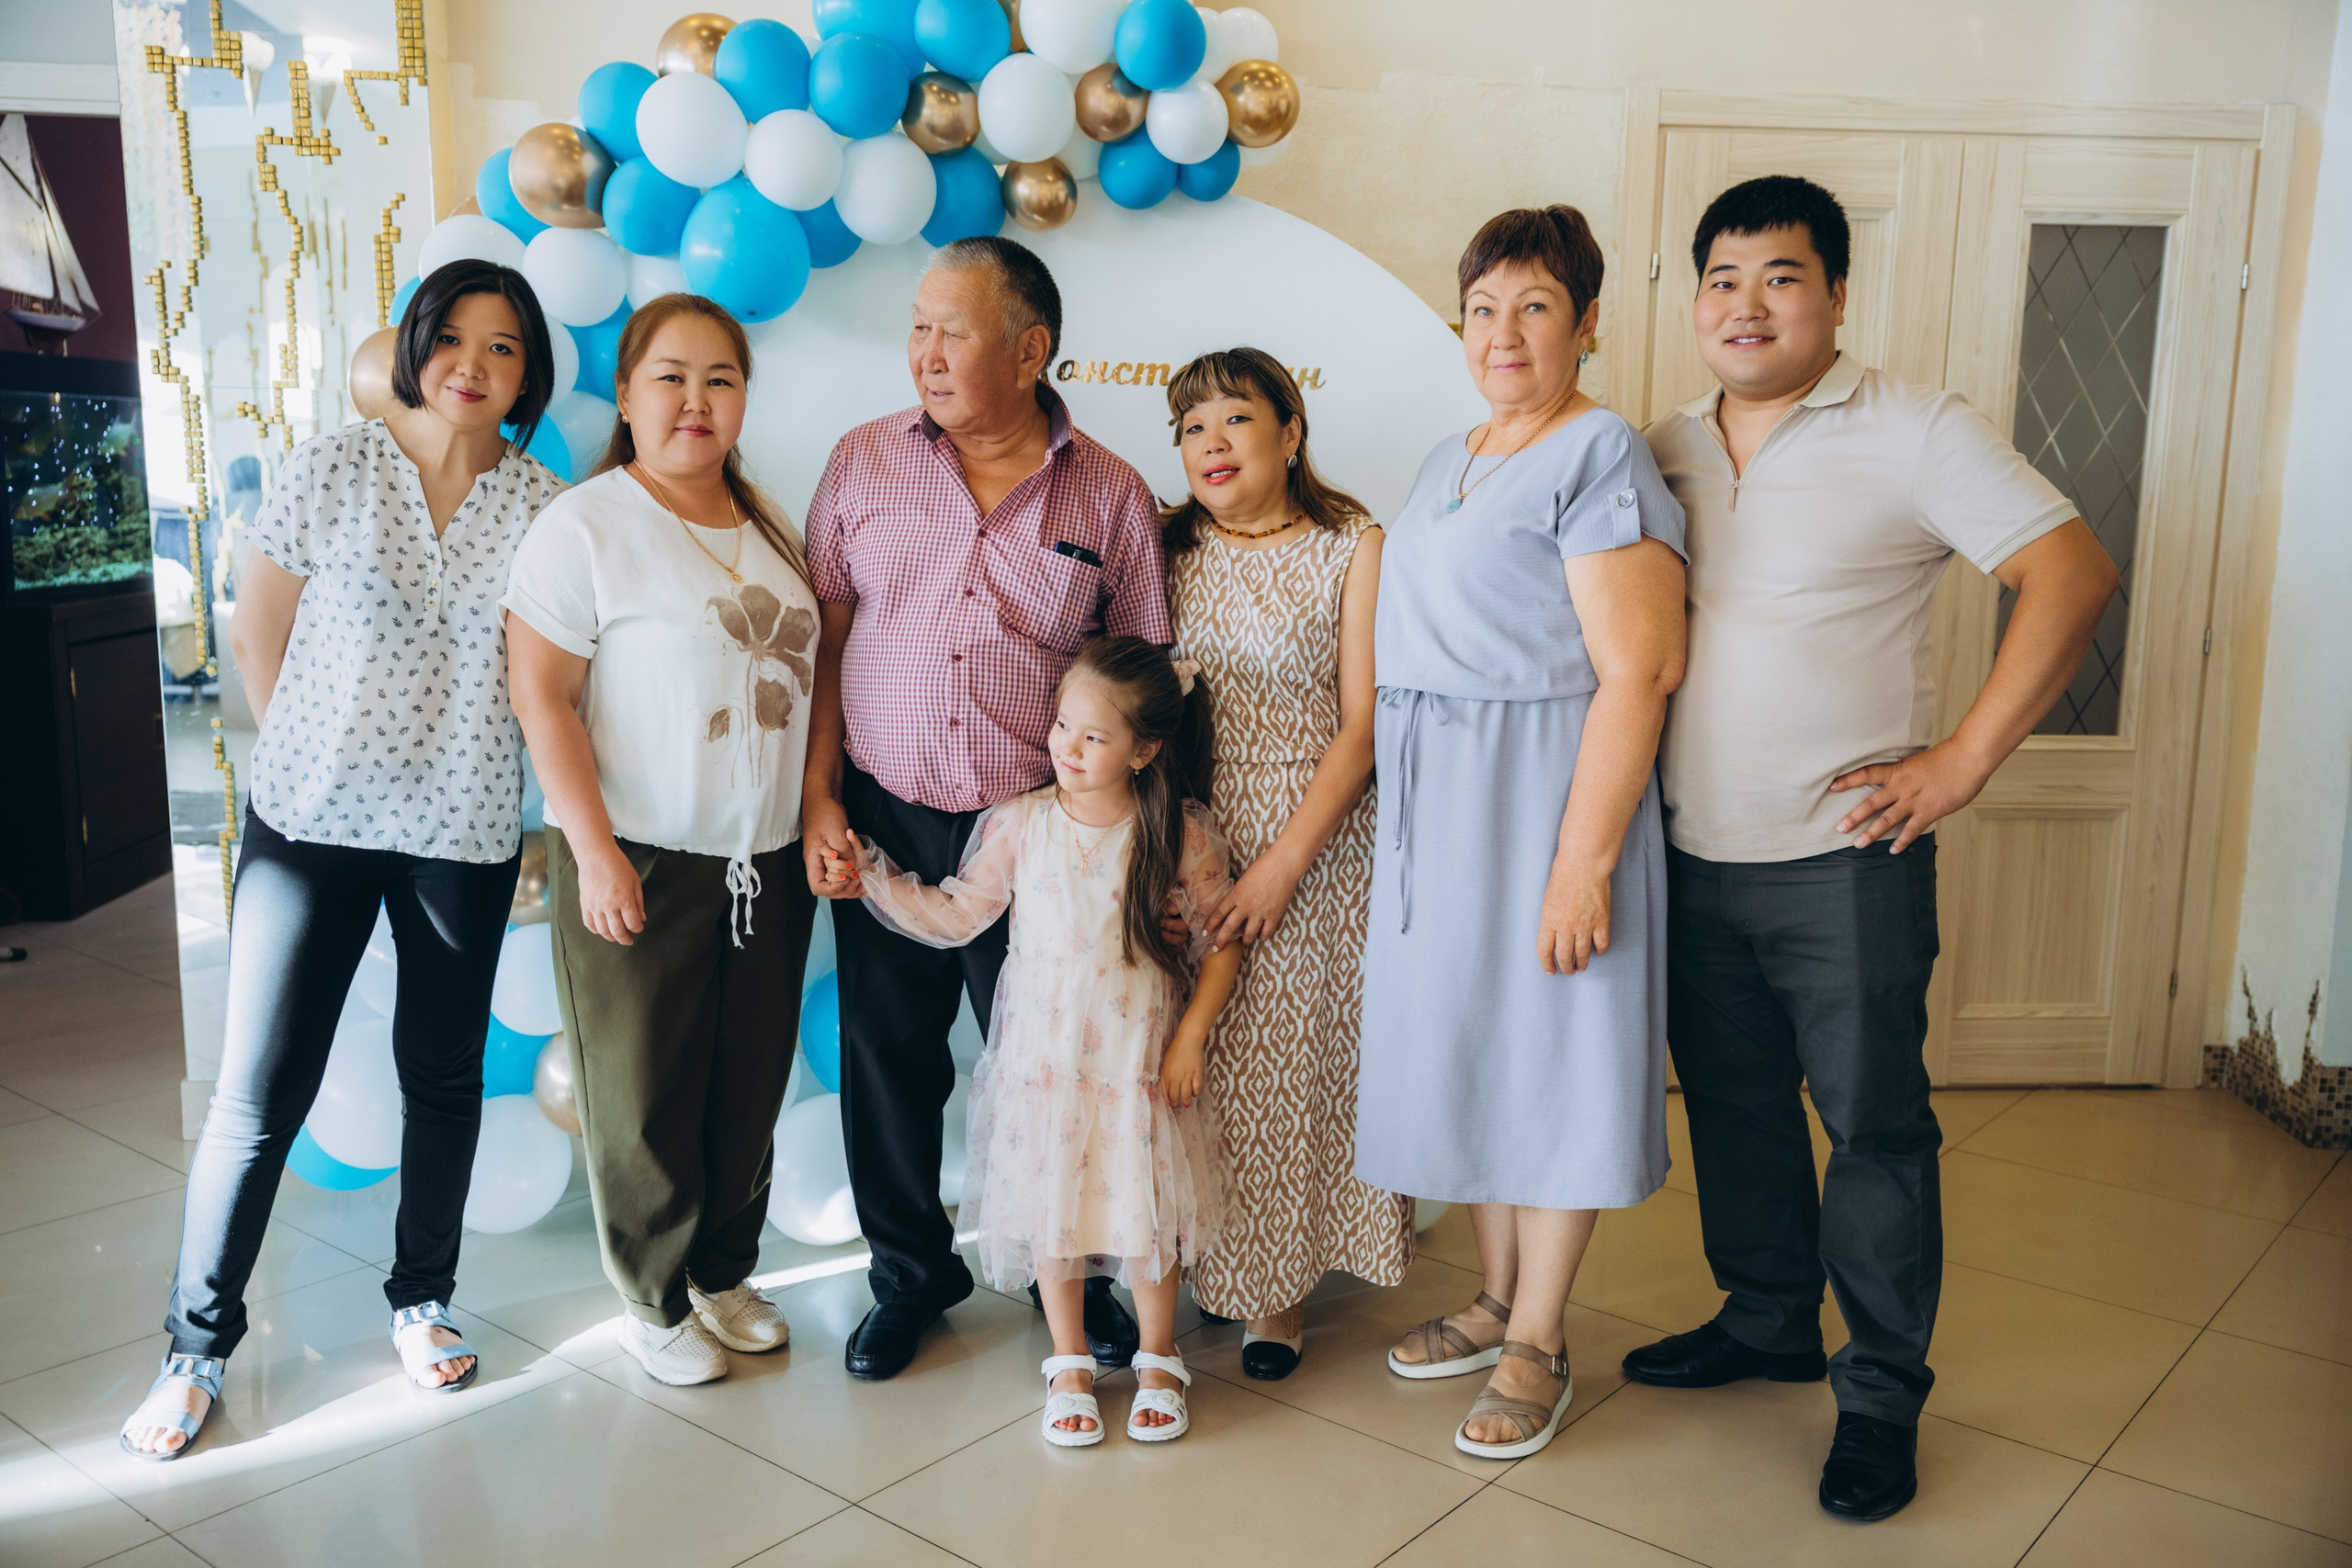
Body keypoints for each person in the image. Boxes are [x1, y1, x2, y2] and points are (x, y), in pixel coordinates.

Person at [1628, 175, 2118, 1521]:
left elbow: (2069, 571)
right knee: (1731, 1107)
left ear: (1835, 295)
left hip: (1845, 857)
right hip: (1691, 854)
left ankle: (1882, 1393)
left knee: (1876, 1132)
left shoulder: (1913, 428)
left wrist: (1959, 759)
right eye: (1723, 277)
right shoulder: (1659, 445)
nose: (1747, 302)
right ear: (1694, 299)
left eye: (1781, 275)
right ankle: (1769, 1314)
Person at [119, 261, 564, 1459]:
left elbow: (548, 679)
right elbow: (257, 630)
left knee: (443, 1076)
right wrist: (313, 761)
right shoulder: (334, 463)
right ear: (417, 344)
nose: (474, 362)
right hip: (310, 823)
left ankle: (421, 1298)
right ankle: (194, 1344)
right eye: (455, 336)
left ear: (529, 374)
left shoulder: (542, 503)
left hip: (460, 827)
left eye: (505, 346)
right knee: (258, 1096)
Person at [800, 235, 1170, 1382]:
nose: (926, 352)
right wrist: (819, 798)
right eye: (917, 327)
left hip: (1045, 831)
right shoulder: (863, 462)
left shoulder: (1109, 493)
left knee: (1065, 1062)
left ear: (1030, 348)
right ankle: (911, 1277)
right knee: (886, 1053)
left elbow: (1148, 666)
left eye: (951, 330)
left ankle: (1086, 1279)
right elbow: (824, 637)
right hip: (886, 806)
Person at [1355, 206, 1688, 1462]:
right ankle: (1496, 1295)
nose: (1505, 331)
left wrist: (1582, 860)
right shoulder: (1454, 449)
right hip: (1441, 802)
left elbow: (1638, 670)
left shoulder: (1600, 454)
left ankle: (1542, 1335)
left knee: (1553, 1057)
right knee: (1471, 1049)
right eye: (1485, 306)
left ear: (1587, 322)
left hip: (1543, 788)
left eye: (1536, 306)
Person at [504, 294, 821, 1387]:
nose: (695, 401)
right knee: (640, 1097)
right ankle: (653, 1298)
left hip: (766, 861)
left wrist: (814, 811)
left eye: (719, 380)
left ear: (743, 400)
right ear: (630, 395)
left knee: (747, 1083)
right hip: (640, 852)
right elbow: (541, 698)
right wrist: (591, 853)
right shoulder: (585, 525)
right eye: (670, 378)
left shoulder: (772, 526)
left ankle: (725, 1272)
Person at [826, 637, 1241, 1445]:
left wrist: (1192, 1034)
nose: (1065, 747)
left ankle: (1159, 1356)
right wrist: (871, 873)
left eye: (1092, 736)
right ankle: (1070, 1360)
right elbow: (955, 914)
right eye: (1059, 725)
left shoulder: (1175, 832)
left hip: (1135, 1065)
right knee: (1052, 1207)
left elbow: (1221, 938)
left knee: (1145, 1210)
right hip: (1047, 1069)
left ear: (1144, 748)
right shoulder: (1020, 824)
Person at [1159, 347, 1408, 1380]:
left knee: (1294, 1060)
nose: (1210, 445)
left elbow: (1364, 726)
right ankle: (1200, 1258)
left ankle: (1279, 1290)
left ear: (1290, 432)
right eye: (1189, 429)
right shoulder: (1168, 548)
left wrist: (1281, 870)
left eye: (1234, 420)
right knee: (1195, 1061)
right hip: (1191, 833)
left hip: (1319, 830)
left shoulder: (1351, 545)